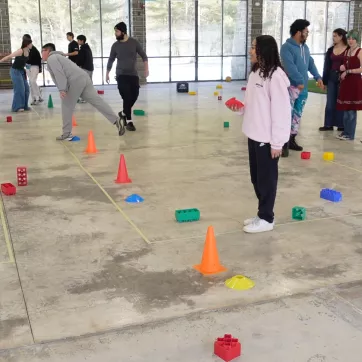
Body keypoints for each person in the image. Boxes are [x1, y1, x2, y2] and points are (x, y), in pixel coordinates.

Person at [227, 35, 291, 233]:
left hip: (267, 138)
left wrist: (278, 143)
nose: (250, 51)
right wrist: (240, 109)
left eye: (254, 47)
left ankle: (267, 218)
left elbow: (281, 112)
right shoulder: (255, 73)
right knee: (256, 178)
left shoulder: (276, 76)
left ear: (263, 50)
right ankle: (261, 213)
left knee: (267, 179)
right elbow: (254, 104)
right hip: (253, 134)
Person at [41, 43, 124, 140]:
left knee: (67, 106)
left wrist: (62, 89)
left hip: (74, 81)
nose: (41, 54)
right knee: (97, 101)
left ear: (47, 51)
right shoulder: (59, 56)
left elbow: (59, 74)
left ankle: (67, 134)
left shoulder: (52, 58)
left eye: (42, 51)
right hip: (83, 77)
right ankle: (116, 120)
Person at [280, 19, 323, 157]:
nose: (307, 33)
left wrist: (317, 77)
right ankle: (283, 143)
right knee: (288, 114)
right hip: (291, 87)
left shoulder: (305, 48)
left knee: (297, 115)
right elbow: (289, 66)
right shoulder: (286, 47)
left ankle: (292, 139)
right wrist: (299, 80)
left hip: (303, 90)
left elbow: (310, 63)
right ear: (299, 32)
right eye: (306, 31)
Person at [106, 22, 149, 132]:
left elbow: (144, 56)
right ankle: (129, 122)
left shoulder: (134, 42)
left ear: (123, 31)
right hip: (121, 75)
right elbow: (111, 59)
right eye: (115, 31)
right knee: (127, 97)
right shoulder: (115, 45)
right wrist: (107, 72)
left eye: (117, 31)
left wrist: (146, 69)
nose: (115, 34)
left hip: (133, 74)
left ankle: (124, 113)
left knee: (134, 95)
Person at [319, 29, 348, 132]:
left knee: (341, 102)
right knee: (330, 102)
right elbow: (326, 66)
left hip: (344, 79)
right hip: (331, 77)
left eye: (335, 36)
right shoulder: (331, 50)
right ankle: (328, 124)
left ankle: (341, 125)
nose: (333, 38)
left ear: (341, 37)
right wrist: (324, 81)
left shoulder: (348, 49)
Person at [336, 30, 362, 141]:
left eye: (353, 38)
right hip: (346, 82)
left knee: (351, 109)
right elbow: (346, 65)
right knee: (346, 109)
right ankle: (346, 131)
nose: (351, 40)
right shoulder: (347, 51)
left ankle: (350, 134)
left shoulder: (360, 51)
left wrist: (348, 71)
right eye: (349, 38)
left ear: (357, 40)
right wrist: (343, 67)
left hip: (355, 82)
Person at [0, 38, 32, 112]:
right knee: (20, 89)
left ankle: (24, 106)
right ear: (27, 44)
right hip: (15, 71)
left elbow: (23, 61)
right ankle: (17, 107)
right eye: (31, 44)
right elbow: (9, 56)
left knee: (26, 89)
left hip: (21, 71)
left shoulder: (28, 51)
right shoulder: (20, 51)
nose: (31, 45)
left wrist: (27, 65)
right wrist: (0, 61)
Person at [23, 34, 43, 105]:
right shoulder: (24, 49)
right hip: (28, 66)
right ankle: (34, 98)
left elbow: (39, 59)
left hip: (34, 66)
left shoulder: (34, 49)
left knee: (32, 81)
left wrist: (40, 68)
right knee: (31, 83)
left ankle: (37, 97)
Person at [76, 34, 94, 103]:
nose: (77, 42)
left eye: (78, 40)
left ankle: (84, 98)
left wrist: (78, 65)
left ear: (82, 41)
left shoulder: (83, 49)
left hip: (85, 68)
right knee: (88, 83)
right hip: (89, 68)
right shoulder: (87, 47)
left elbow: (81, 59)